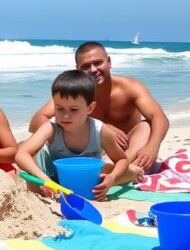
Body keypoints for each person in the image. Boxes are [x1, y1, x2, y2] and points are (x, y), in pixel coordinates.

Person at [29, 42, 168, 175]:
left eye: (98, 63)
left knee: (146, 126)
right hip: (91, 153)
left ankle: (124, 167)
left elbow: (159, 117)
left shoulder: (130, 87)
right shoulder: (75, 95)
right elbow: (35, 122)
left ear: (109, 62)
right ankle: (119, 170)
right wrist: (100, 127)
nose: (93, 70)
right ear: (78, 69)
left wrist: (153, 146)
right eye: (86, 66)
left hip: (125, 151)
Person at [16, 70, 130, 200]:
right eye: (59, 108)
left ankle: (135, 172)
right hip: (52, 177)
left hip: (85, 178)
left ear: (90, 108)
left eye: (74, 109)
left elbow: (122, 159)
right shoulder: (52, 127)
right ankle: (37, 196)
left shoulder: (99, 130)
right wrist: (46, 180)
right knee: (26, 154)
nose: (65, 115)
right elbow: (21, 154)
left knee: (121, 172)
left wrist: (112, 178)